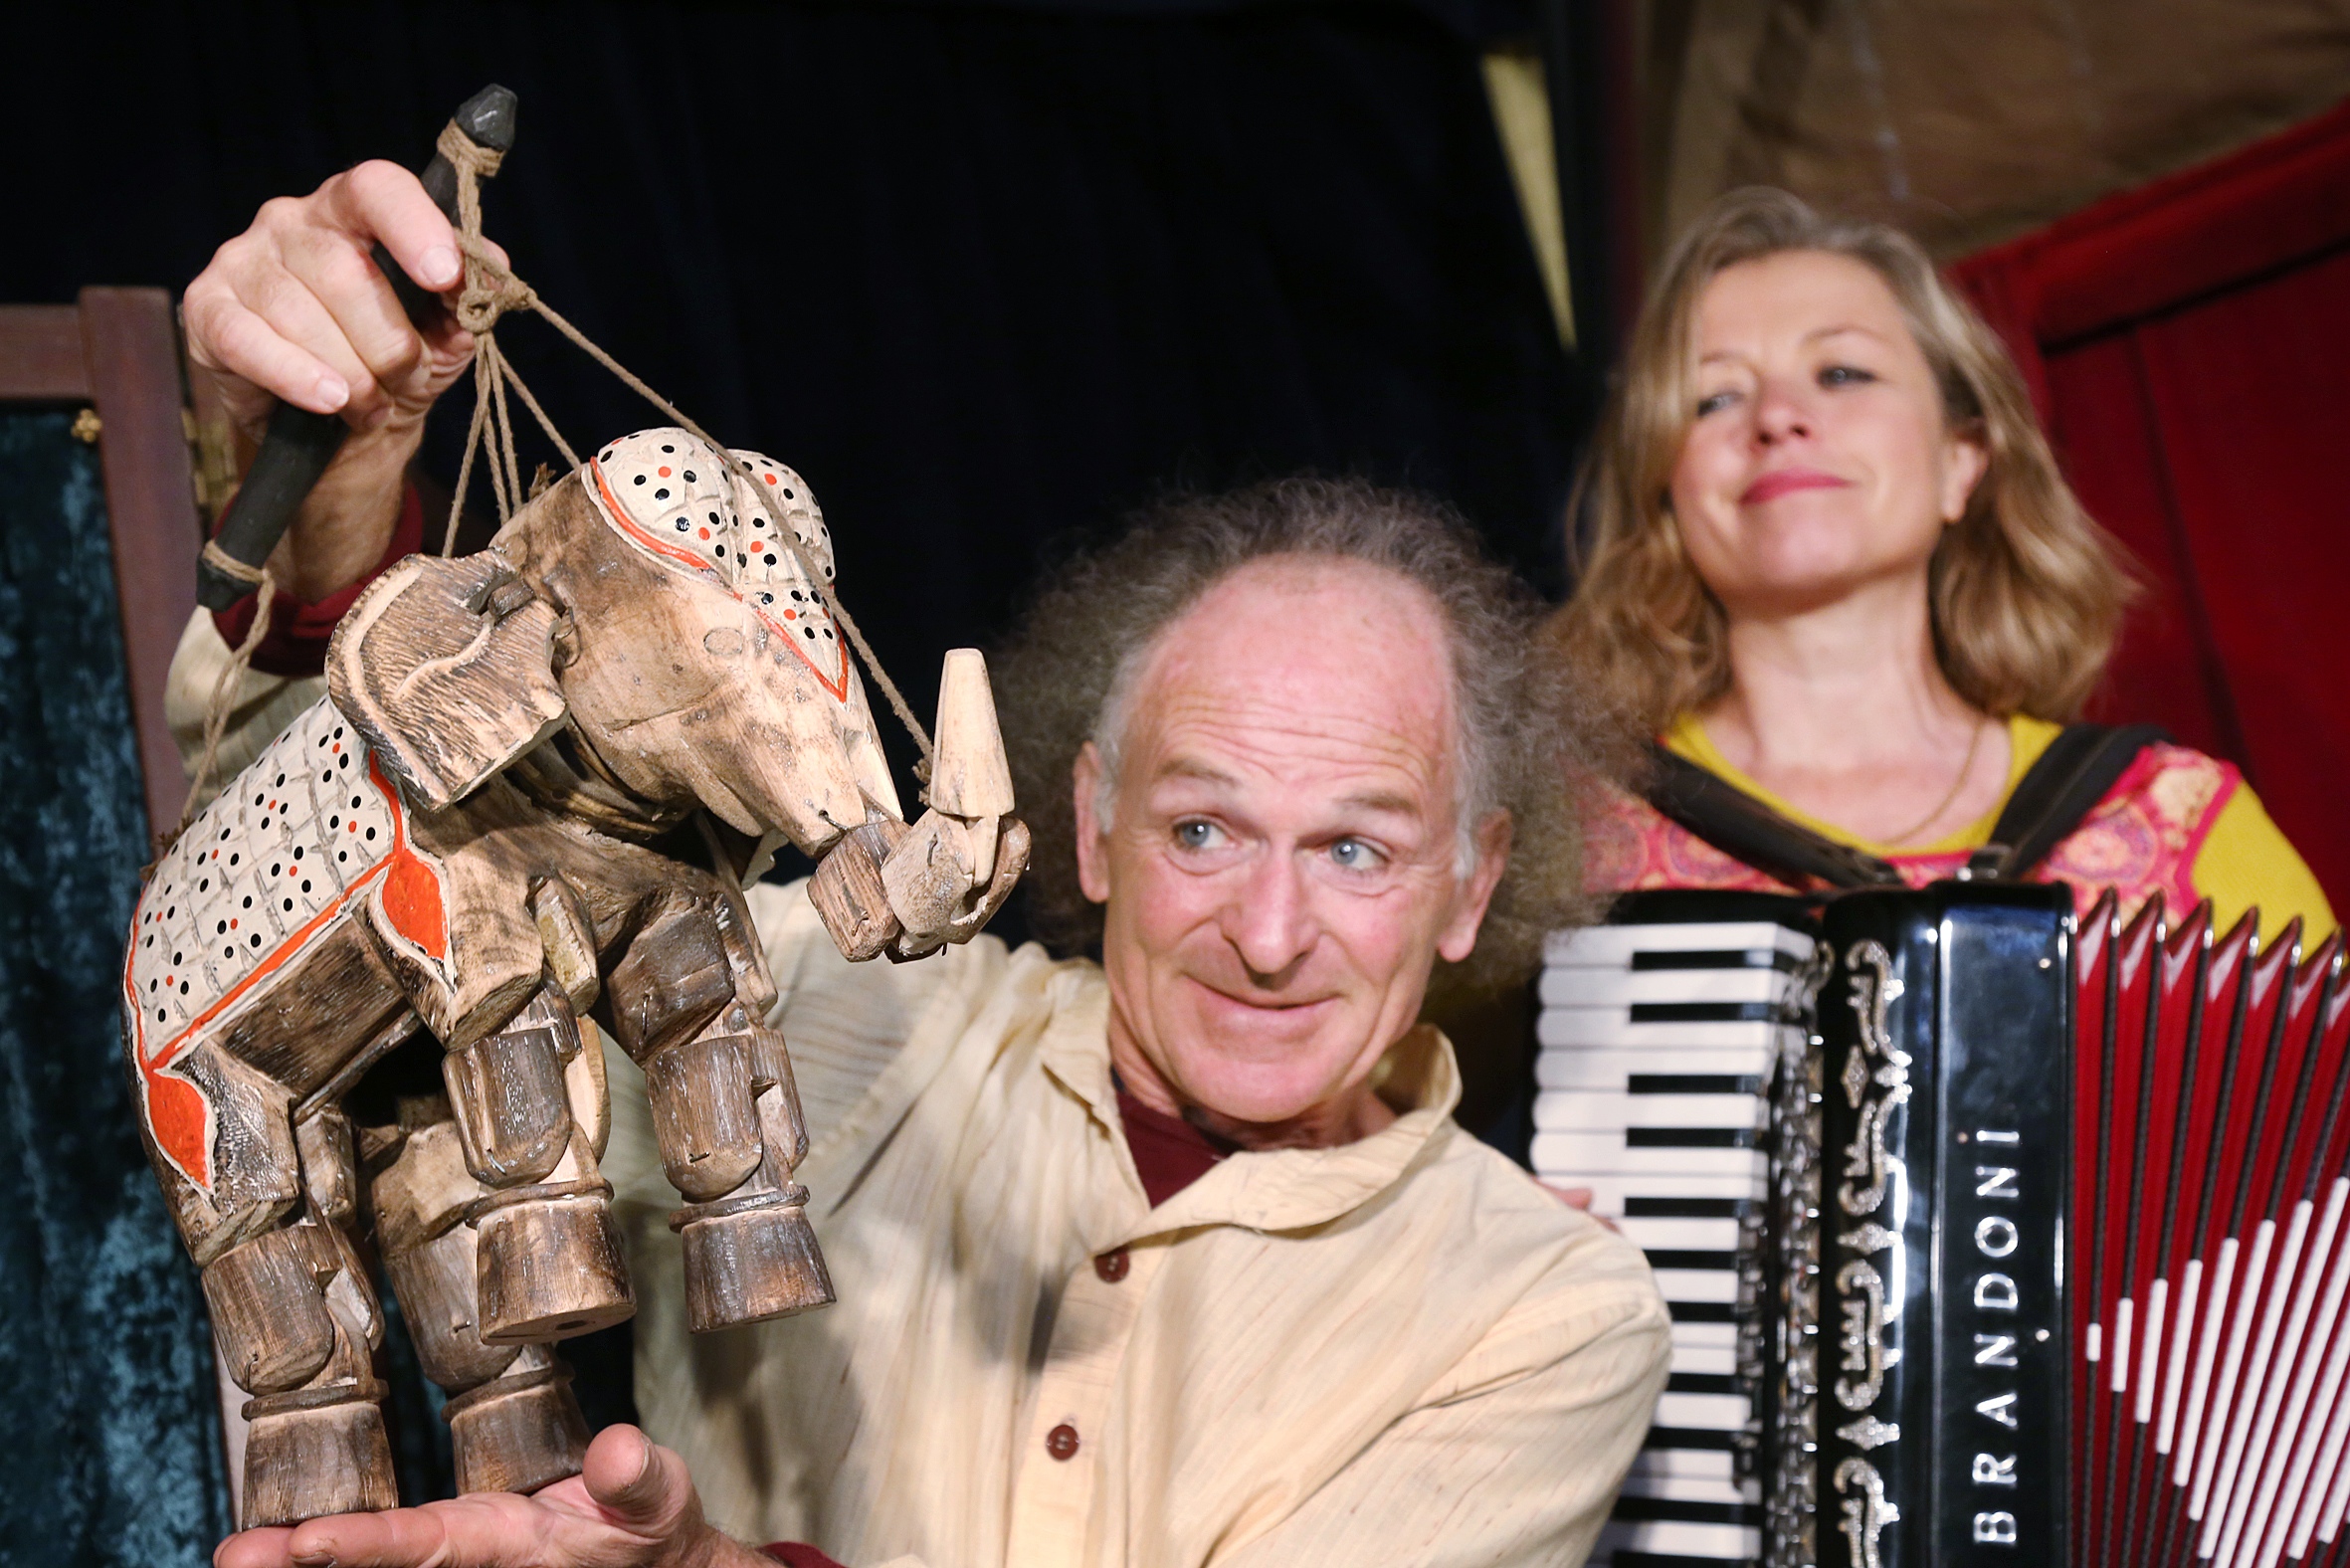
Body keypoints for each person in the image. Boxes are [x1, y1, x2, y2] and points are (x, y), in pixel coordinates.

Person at [182, 163, 1669, 1568]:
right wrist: (338, 491)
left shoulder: (1546, 1309)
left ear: (1473, 883)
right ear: (1089, 823)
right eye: (1201, 830)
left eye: (1354, 848)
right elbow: (353, 896)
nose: (1268, 934)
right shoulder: (830, 1006)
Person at [1552, 187, 2337, 937]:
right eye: (1714, 398)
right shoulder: (1565, 842)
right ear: (1665, 493)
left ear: (1961, 462)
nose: (1778, 417)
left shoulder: (2179, 823)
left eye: (1841, 374)